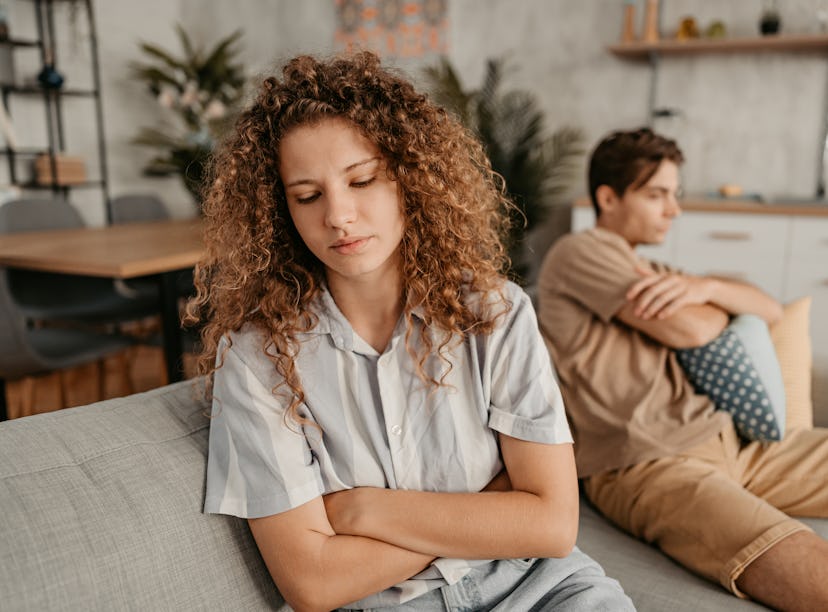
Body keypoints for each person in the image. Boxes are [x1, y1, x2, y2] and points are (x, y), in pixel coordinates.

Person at [186, 52, 633, 611]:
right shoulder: (257, 360)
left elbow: (551, 525)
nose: (339, 216)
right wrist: (488, 510)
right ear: (282, 212)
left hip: (540, 587)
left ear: (408, 177)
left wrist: (365, 512)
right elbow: (313, 582)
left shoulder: (496, 313)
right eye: (308, 195)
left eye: (363, 180)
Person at [537, 127, 828, 611]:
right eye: (657, 195)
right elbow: (690, 331)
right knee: (798, 557)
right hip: (648, 460)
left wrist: (706, 285)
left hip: (732, 443)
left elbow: (768, 310)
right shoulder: (579, 252)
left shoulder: (659, 275)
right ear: (608, 197)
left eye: (674, 194)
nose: (674, 209)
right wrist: (710, 304)